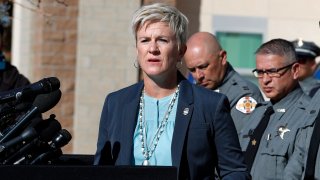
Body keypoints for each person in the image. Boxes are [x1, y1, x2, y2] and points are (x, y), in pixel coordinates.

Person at [94, 3, 250, 180]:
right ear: (137, 49)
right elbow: (101, 169)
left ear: (180, 51)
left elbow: (235, 172)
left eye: (162, 40)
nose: (153, 48)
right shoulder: (115, 103)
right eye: (144, 40)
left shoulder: (210, 105)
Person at [238, 38, 314, 179]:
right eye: (260, 72)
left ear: (295, 70)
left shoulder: (308, 117)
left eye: (272, 71)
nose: (265, 80)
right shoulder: (257, 113)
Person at [183, 32, 264, 135]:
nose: (199, 76)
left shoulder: (244, 96)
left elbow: (240, 146)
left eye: (203, 66)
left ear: (223, 57)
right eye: (192, 70)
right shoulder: (194, 92)